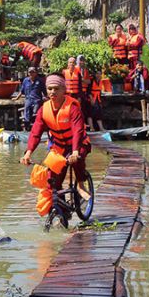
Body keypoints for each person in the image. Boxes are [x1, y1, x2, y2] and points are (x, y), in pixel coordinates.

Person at [20, 75, 91, 219]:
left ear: (64, 90)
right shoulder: (43, 110)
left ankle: (81, 185)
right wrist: (28, 153)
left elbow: (78, 130)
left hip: (78, 143)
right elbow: (36, 132)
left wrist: (76, 151)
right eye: (49, 89)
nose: (52, 92)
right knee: (53, 179)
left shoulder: (72, 108)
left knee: (76, 159)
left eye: (56, 89)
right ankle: (62, 210)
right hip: (59, 145)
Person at [76, 55, 93, 119]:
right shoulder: (75, 69)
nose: (82, 62)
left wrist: (82, 80)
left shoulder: (85, 70)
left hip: (84, 93)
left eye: (83, 61)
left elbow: (89, 81)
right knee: (77, 109)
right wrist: (82, 80)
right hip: (77, 93)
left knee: (84, 109)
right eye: (80, 60)